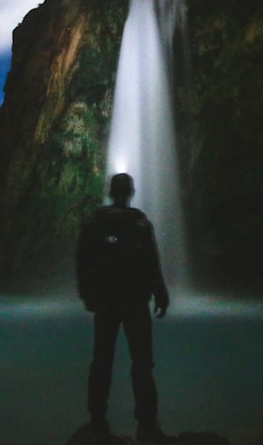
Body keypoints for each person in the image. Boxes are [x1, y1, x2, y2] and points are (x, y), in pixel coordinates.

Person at [76, 173, 174, 442]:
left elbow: (82, 263)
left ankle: (97, 420)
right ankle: (147, 424)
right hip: (135, 303)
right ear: (130, 192)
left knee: (101, 362)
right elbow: (152, 264)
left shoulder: (93, 225)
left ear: (110, 192)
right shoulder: (140, 226)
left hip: (105, 303)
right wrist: (160, 294)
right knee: (142, 363)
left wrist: (88, 296)